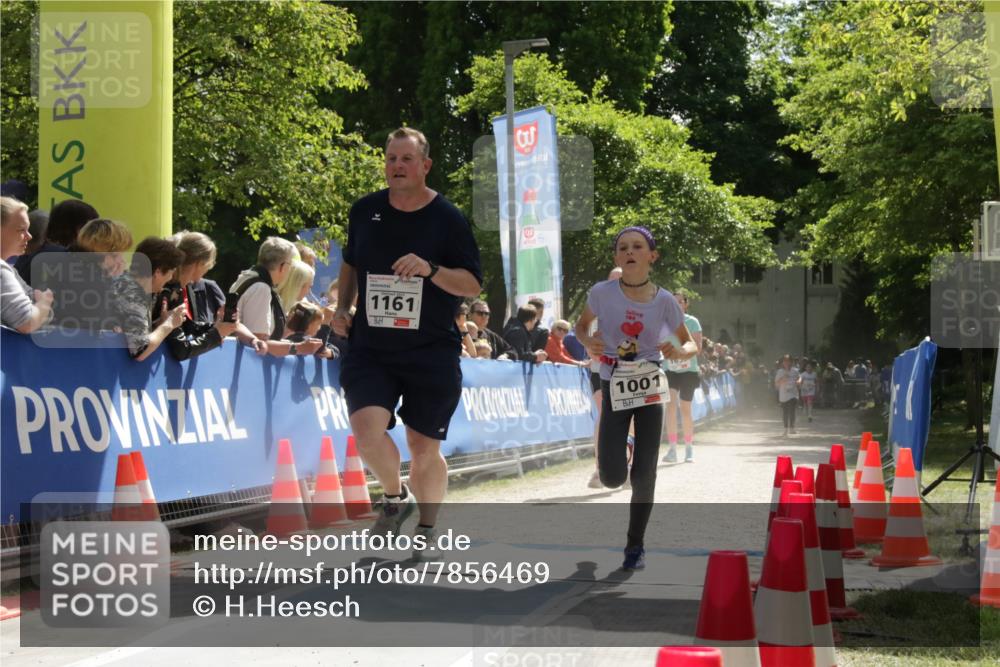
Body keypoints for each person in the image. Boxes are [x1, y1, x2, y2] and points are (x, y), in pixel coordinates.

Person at [331, 127, 482, 559]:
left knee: (422, 447)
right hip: (371, 346)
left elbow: (471, 282)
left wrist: (430, 269)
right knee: (365, 431)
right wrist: (344, 309)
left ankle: (428, 527)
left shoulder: (447, 218)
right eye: (391, 158)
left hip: (430, 349)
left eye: (406, 159)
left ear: (425, 165)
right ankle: (396, 499)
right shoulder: (365, 210)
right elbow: (350, 263)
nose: (397, 166)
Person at [574, 226, 694, 571]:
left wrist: (677, 349)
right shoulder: (601, 293)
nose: (629, 252)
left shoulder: (666, 301)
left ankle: (635, 545)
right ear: (616, 258)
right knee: (612, 478)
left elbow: (690, 344)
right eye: (623, 248)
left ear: (651, 256)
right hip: (614, 381)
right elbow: (581, 327)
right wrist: (587, 341)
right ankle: (622, 446)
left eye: (637, 247)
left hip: (651, 385)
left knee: (645, 474)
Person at [230, 237, 322, 357]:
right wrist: (299, 348)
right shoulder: (261, 288)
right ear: (283, 266)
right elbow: (259, 344)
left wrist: (286, 333)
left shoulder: (248, 277)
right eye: (291, 266)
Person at [110, 237, 188, 361]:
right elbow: (140, 351)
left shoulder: (124, 283)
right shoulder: (133, 293)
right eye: (171, 272)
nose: (171, 278)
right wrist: (169, 324)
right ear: (157, 272)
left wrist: (158, 324)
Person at [586, 266, 623, 489]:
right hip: (601, 370)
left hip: (631, 373)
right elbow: (590, 347)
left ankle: (629, 466)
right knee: (604, 416)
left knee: (630, 421)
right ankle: (600, 469)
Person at [659, 288, 703, 463]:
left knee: (685, 408)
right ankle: (671, 449)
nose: (676, 304)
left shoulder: (692, 322)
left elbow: (698, 348)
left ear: (686, 304)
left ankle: (689, 448)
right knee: (670, 406)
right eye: (673, 301)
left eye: (680, 301)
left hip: (689, 371)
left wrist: (681, 352)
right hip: (670, 369)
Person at [1, 197, 53, 333]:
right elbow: (27, 322)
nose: (29, 236)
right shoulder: (1, 270)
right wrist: (44, 303)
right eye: (21, 229)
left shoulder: (9, 270)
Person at [775, 354, 800, 436]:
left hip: (793, 394)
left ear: (791, 362)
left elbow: (799, 377)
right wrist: (783, 378)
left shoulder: (795, 370)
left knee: (792, 411)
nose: (786, 362)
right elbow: (776, 384)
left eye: (788, 361)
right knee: (785, 412)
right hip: (783, 395)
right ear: (782, 363)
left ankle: (792, 428)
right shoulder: (780, 372)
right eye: (784, 361)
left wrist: (799, 381)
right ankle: (785, 429)